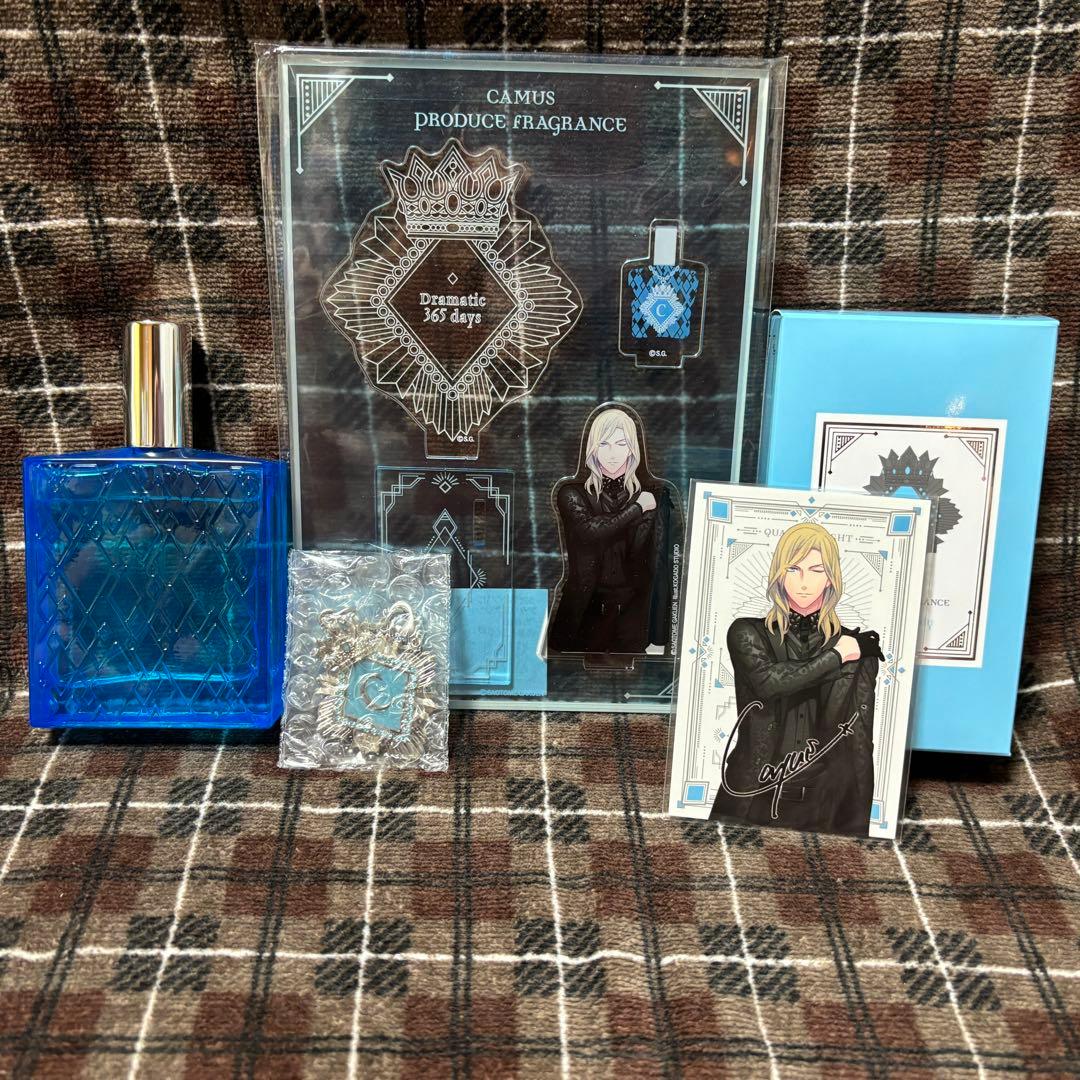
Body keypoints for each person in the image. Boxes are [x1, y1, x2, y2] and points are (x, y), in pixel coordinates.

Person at [709, 521, 882, 836]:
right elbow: (769, 683)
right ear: (779, 574)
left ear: (831, 578)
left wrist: (859, 824)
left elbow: (859, 741)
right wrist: (836, 656)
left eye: (816, 570)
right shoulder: (747, 632)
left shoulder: (856, 648)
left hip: (826, 803)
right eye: (793, 569)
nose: (804, 582)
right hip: (751, 792)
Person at [547, 405, 678, 659]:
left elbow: (660, 568)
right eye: (604, 444)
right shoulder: (572, 494)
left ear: (632, 448)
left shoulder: (655, 496)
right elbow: (589, 532)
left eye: (621, 444)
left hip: (633, 618)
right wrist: (637, 508)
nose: (613, 454)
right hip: (581, 616)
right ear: (593, 449)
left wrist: (659, 636)